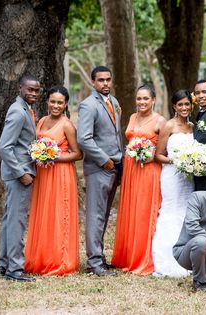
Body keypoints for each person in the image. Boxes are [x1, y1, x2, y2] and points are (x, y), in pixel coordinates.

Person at [24, 86, 82, 275]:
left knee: (59, 215)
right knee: (44, 213)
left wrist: (51, 156)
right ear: (47, 101)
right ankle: (40, 257)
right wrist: (39, 154)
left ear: (66, 104)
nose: (55, 105)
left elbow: (77, 154)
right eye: (52, 101)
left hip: (61, 175)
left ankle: (60, 260)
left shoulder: (67, 125)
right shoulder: (41, 121)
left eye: (60, 102)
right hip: (43, 174)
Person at [111, 85, 166, 275]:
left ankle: (144, 258)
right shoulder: (133, 117)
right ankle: (128, 255)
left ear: (153, 100)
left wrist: (149, 155)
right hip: (131, 170)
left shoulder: (160, 121)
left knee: (144, 212)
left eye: (145, 99)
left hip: (148, 171)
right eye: (139, 98)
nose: (141, 102)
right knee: (131, 210)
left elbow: (165, 151)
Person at [77, 66, 124, 277]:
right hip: (99, 168)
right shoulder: (88, 105)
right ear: (93, 83)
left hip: (115, 166)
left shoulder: (113, 102)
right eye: (100, 80)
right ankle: (94, 262)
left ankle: (100, 257)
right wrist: (104, 160)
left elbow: (115, 134)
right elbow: (84, 139)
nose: (105, 83)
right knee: (95, 215)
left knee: (104, 215)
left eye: (108, 79)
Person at [0, 75, 40, 282]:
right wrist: (21, 173)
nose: (33, 93)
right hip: (18, 175)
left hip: (19, 172)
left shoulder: (26, 110)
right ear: (20, 88)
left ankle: (3, 265)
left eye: (36, 90)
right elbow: (4, 147)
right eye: (29, 89)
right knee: (17, 221)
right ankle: (14, 269)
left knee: (10, 220)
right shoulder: (17, 111)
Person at [152, 90, 194, 277]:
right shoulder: (169, 126)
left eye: (187, 104)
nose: (184, 108)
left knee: (186, 211)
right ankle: (167, 260)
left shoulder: (193, 127)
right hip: (171, 175)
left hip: (189, 177)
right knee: (171, 211)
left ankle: (186, 258)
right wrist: (178, 162)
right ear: (174, 107)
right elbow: (158, 155)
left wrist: (192, 163)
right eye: (180, 105)